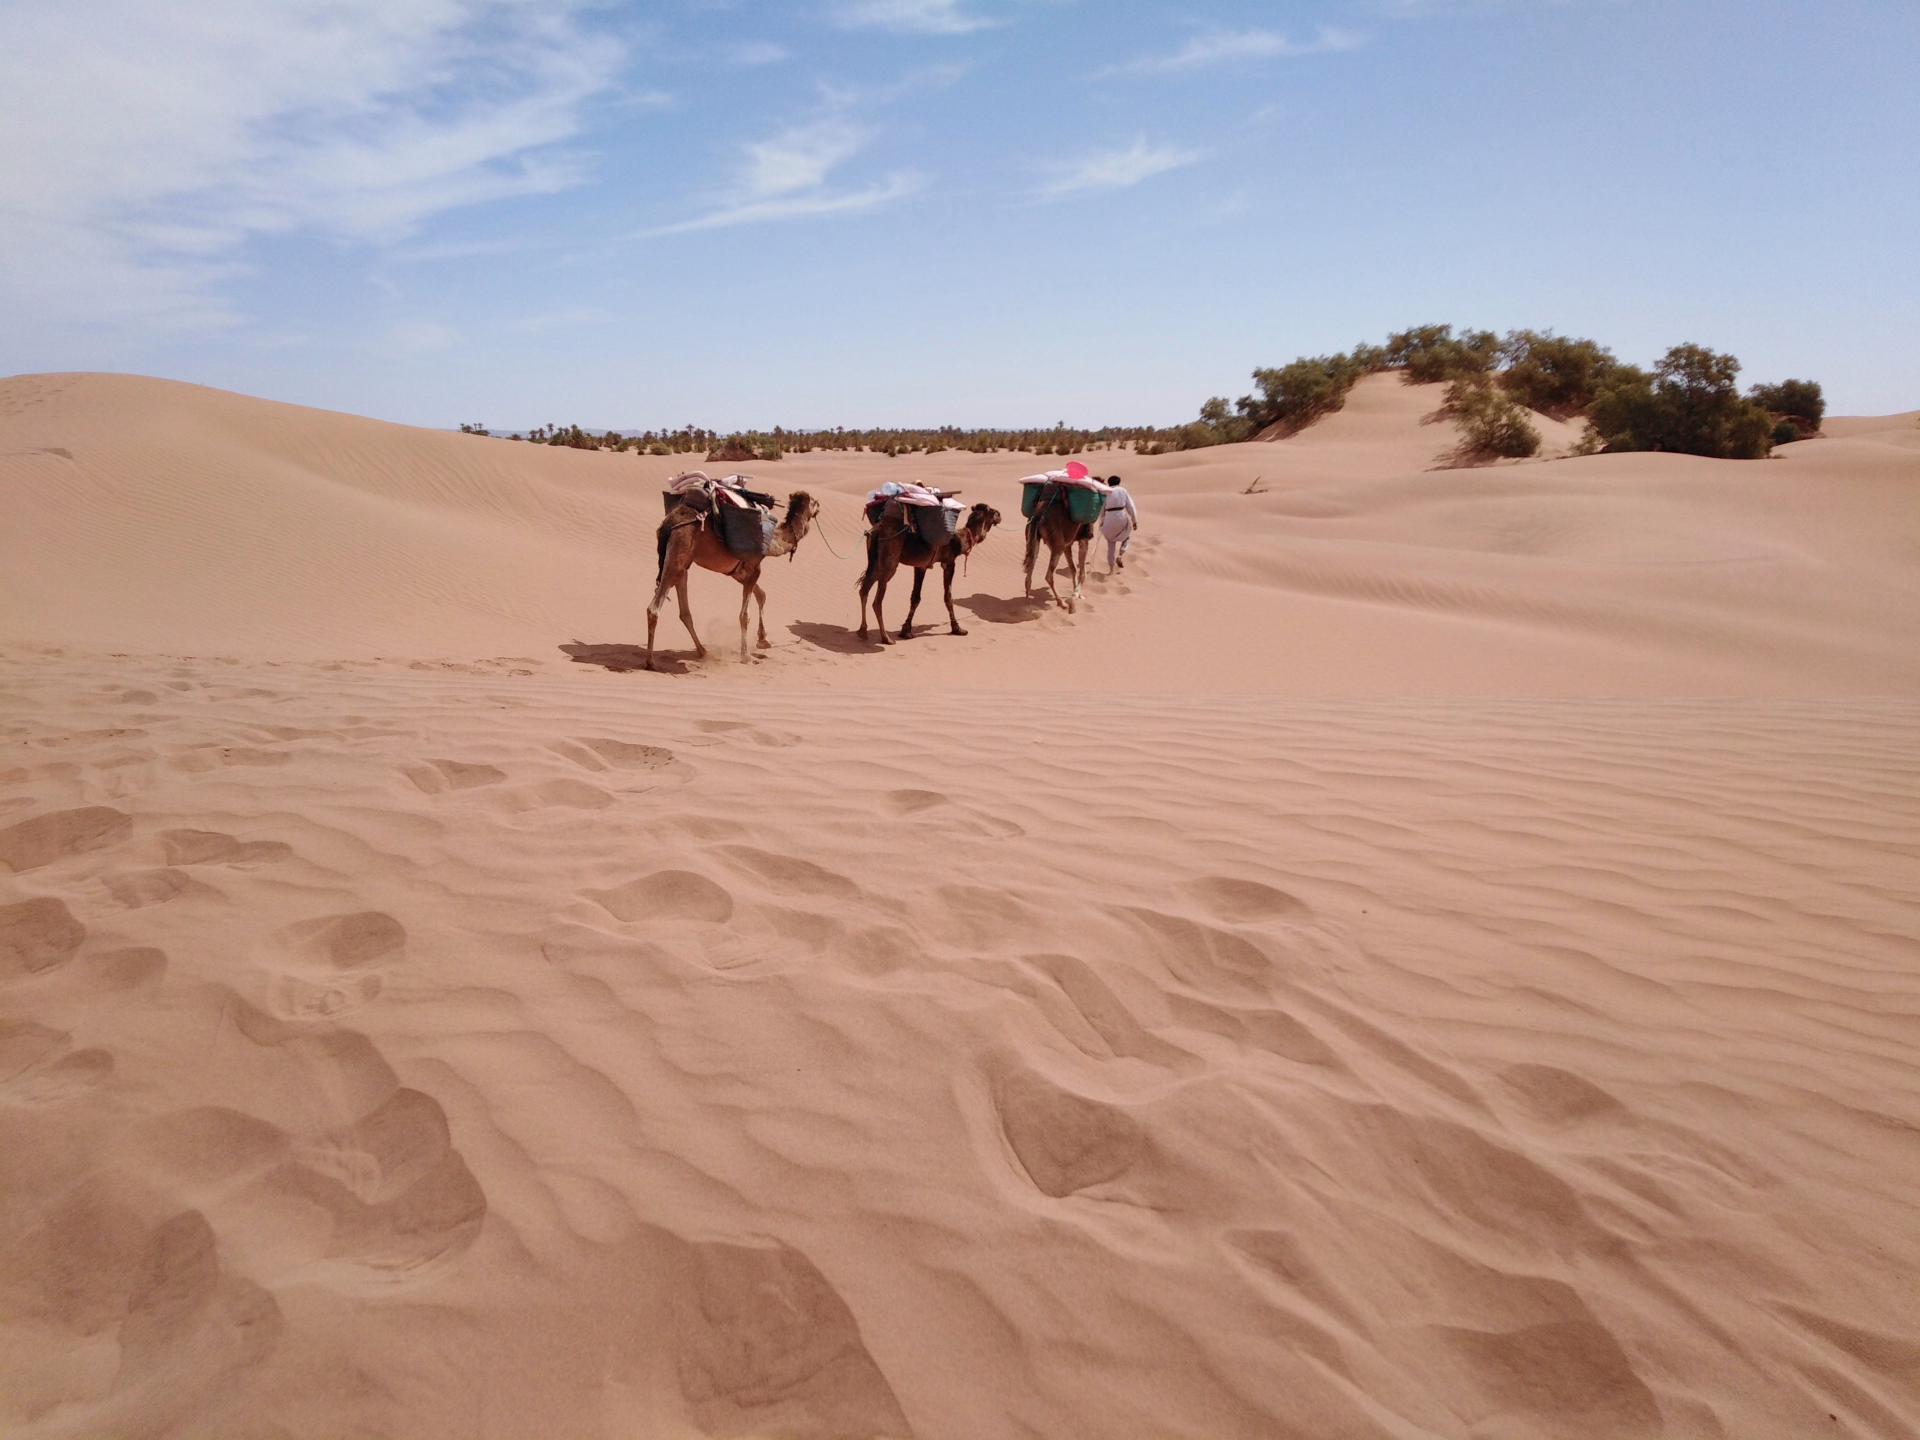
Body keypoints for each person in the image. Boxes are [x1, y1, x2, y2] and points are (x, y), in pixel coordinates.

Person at [1098, 474, 1138, 571]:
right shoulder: (1123, 491)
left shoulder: (1105, 492)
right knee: (1127, 537)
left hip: (1109, 517)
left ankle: (1111, 568)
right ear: (1118, 483)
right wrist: (1134, 520)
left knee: (1110, 542)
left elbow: (1101, 509)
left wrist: (1102, 522)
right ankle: (1120, 554)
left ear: (1109, 483)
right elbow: (1131, 506)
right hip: (1121, 515)